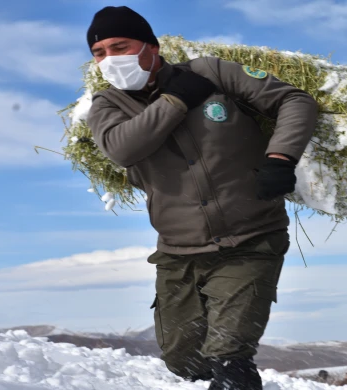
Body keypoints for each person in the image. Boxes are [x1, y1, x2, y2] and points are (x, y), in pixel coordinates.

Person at [84, 6, 318, 390]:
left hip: (251, 236)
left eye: (120, 46)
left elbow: (295, 101)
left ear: (151, 47)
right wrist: (174, 101)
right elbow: (123, 149)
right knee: (184, 361)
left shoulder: (211, 73)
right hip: (178, 251)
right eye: (99, 53)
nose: (110, 59)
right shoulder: (108, 106)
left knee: (230, 360)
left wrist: (281, 158)